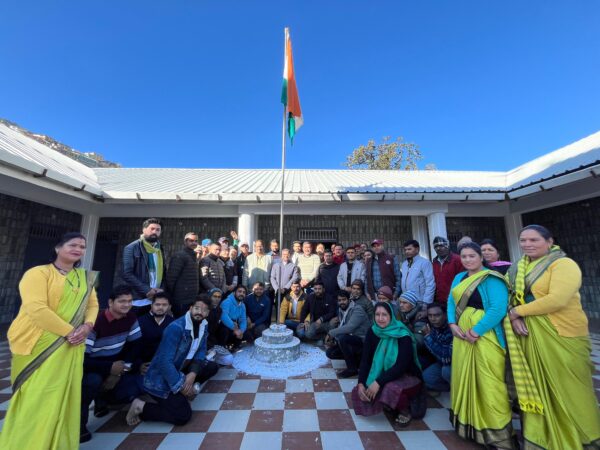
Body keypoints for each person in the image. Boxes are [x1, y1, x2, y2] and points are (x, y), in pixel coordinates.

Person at [0, 233, 99, 450]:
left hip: (72, 344)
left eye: (82, 246)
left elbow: (93, 305)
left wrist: (87, 326)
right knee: (35, 397)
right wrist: (70, 331)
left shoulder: (84, 277)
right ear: (58, 248)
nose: (78, 249)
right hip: (39, 342)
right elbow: (36, 308)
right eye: (72, 245)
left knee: (66, 395)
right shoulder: (37, 273)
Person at [506, 225, 600, 449]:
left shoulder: (563, 264)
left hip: (562, 333)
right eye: (523, 240)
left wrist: (518, 312)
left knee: (571, 388)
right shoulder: (519, 267)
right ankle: (542, 437)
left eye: (534, 240)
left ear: (549, 241)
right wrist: (515, 316)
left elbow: (557, 299)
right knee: (538, 386)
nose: (527, 244)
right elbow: (513, 296)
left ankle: (585, 437)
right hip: (530, 333)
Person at [448, 242, 515, 449]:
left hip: (486, 336)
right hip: (461, 336)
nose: (467, 260)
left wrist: (476, 331)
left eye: (472, 256)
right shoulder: (459, 278)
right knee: (463, 377)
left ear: (481, 257)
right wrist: (452, 323)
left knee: (489, 381)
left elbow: (497, 309)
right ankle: (469, 426)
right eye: (464, 256)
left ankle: (497, 435)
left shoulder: (492, 278)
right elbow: (451, 301)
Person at [125, 297, 212, 427]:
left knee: (211, 367)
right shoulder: (176, 328)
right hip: (160, 378)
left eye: (204, 310)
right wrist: (181, 386)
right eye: (197, 308)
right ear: (190, 309)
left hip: (181, 368)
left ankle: (186, 390)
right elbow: (164, 362)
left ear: (208, 313)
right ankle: (140, 407)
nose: (200, 312)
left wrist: (193, 374)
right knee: (183, 416)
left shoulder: (203, 325)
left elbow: (201, 351)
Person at [80, 285, 144, 443]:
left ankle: (103, 399)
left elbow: (136, 345)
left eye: (129, 301)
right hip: (93, 365)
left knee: (135, 380)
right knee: (92, 382)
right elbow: (82, 359)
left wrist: (121, 369)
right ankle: (80, 424)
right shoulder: (96, 321)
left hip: (116, 362)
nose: (126, 305)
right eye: (122, 301)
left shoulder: (131, 317)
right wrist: (110, 369)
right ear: (110, 302)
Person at [352, 302, 422, 426]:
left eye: (384, 315)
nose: (380, 318)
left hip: (408, 375)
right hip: (385, 374)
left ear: (391, 316)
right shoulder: (373, 331)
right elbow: (365, 360)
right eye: (377, 314)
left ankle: (405, 409)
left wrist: (378, 382)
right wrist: (361, 383)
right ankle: (389, 402)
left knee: (388, 388)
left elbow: (401, 366)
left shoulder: (402, 334)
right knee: (361, 392)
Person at [122, 218, 166, 316]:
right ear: (144, 230)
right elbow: (127, 274)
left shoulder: (159, 249)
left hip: (155, 300)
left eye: (158, 230)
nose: (154, 232)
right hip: (137, 301)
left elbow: (163, 272)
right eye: (152, 229)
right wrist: (147, 290)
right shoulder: (132, 248)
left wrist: (161, 289)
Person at [325, 291, 371, 378]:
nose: (341, 302)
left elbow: (350, 327)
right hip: (351, 338)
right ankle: (357, 361)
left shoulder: (357, 309)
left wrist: (331, 333)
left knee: (343, 338)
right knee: (330, 353)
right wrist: (334, 340)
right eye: (339, 300)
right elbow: (341, 326)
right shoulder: (341, 310)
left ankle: (352, 369)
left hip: (362, 341)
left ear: (349, 299)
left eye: (344, 299)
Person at [138, 292, 174, 375]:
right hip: (144, 366)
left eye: (164, 305)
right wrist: (138, 365)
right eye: (157, 304)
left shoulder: (173, 323)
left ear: (169, 307)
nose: (160, 307)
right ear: (151, 306)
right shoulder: (141, 321)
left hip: (164, 367)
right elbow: (134, 347)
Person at [166, 232, 199, 317]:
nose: (194, 243)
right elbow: (171, 278)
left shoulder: (193, 256)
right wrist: (170, 298)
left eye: (196, 241)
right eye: (191, 240)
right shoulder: (179, 256)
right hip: (180, 300)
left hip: (191, 299)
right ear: (185, 242)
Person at [421, 303, 452, 393]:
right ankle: (450, 388)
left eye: (437, 315)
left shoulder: (451, 329)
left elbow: (446, 359)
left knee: (446, 371)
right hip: (440, 362)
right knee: (426, 377)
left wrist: (427, 337)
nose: (433, 319)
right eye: (430, 315)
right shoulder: (434, 326)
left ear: (445, 315)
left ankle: (459, 392)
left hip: (454, 365)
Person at [204, 289, 234, 366]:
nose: (217, 299)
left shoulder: (219, 310)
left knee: (229, 359)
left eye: (219, 297)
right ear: (210, 297)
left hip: (214, 340)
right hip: (204, 340)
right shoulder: (204, 309)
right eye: (214, 296)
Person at [400, 240, 435, 305]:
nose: (407, 251)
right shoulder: (404, 264)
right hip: (407, 302)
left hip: (420, 302)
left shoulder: (425, 263)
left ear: (417, 249)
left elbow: (430, 284)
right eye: (405, 250)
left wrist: (426, 303)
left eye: (409, 249)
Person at [431, 236, 464, 305]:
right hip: (439, 301)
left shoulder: (458, 260)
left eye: (441, 246)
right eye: (436, 246)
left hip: (455, 300)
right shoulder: (434, 262)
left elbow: (463, 281)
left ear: (447, 246)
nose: (438, 248)